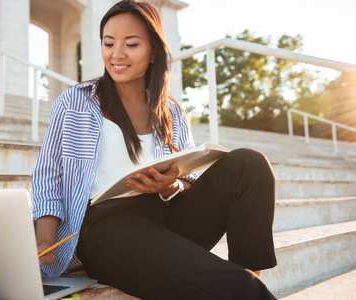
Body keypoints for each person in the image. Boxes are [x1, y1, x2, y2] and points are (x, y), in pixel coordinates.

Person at [32, 0, 277, 299]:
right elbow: (48, 176)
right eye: (108, 43)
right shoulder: (75, 103)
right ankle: (242, 286)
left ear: (153, 52)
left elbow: (188, 182)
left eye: (131, 44)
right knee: (241, 288)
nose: (116, 54)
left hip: (165, 217)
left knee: (249, 163)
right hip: (107, 229)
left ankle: (248, 270)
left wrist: (170, 185)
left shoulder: (172, 112)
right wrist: (45, 241)